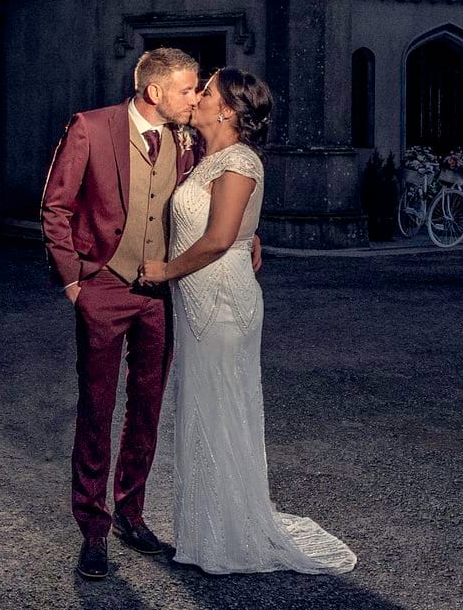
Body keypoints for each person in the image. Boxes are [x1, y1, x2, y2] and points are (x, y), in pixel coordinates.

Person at [139, 67, 356, 575]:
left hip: (222, 303)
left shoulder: (239, 161)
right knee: (202, 410)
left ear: (229, 111)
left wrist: (164, 271)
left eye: (206, 92)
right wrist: (245, 235)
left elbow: (218, 239)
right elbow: (223, 226)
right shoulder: (206, 157)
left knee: (221, 409)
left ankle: (228, 536)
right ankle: (208, 527)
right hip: (198, 300)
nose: (196, 99)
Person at [38, 45, 202, 580]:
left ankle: (131, 514)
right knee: (97, 408)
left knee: (148, 407)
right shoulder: (91, 127)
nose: (194, 98)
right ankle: (93, 528)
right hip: (102, 286)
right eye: (186, 90)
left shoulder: (185, 140)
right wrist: (74, 283)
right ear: (155, 92)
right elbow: (55, 207)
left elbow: (207, 198)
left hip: (161, 291)